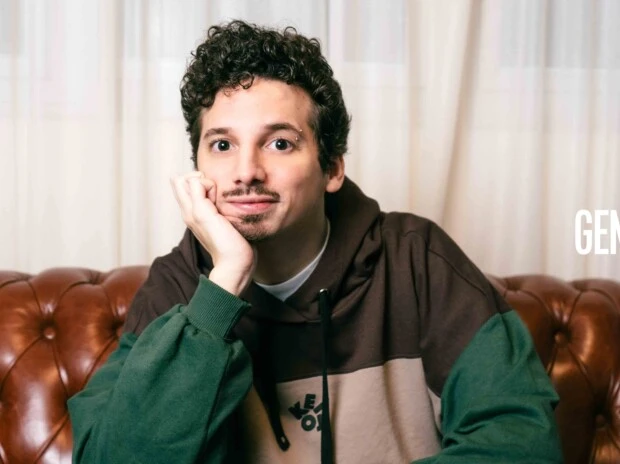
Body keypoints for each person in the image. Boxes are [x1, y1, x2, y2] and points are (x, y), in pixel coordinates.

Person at [68, 20, 562, 464]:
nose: (246, 172)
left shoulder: (417, 259)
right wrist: (223, 287)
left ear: (332, 168)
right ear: (198, 167)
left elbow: (523, 445)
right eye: (222, 144)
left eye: (279, 143)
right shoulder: (177, 289)